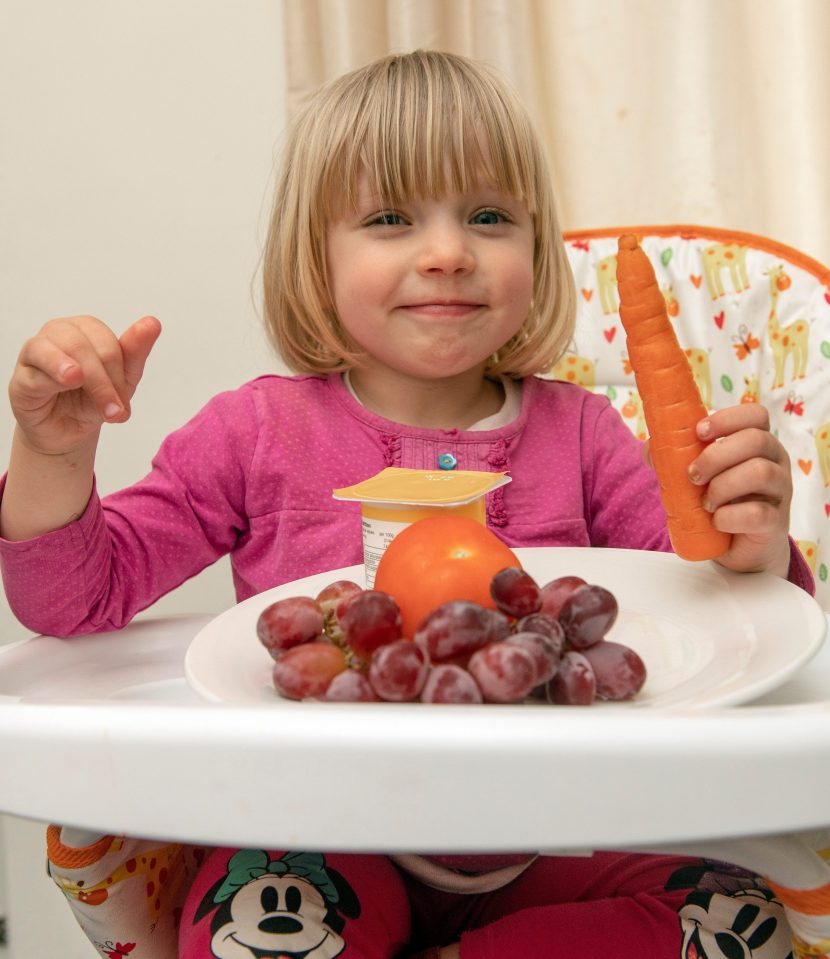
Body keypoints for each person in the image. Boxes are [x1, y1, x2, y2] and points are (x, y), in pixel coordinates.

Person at [0, 50, 812, 959]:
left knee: (743, 924)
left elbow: (731, 638)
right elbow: (72, 600)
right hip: (312, 835)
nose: (448, 251)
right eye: (390, 217)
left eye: (489, 216)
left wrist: (752, 542)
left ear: (534, 249)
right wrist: (52, 452)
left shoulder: (585, 435)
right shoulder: (255, 432)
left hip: (558, 843)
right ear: (318, 253)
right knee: (256, 928)